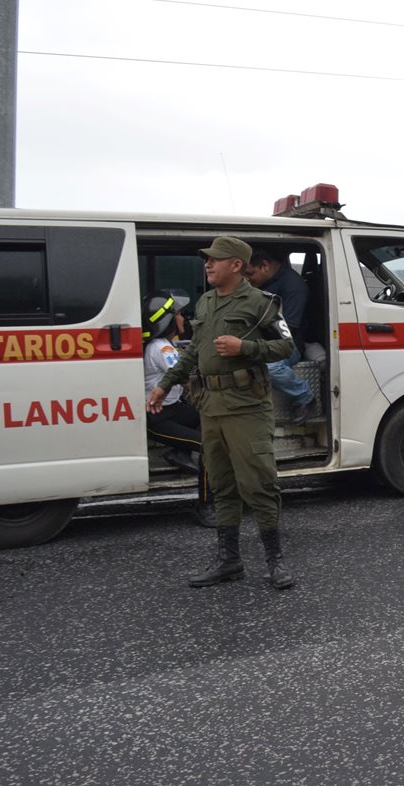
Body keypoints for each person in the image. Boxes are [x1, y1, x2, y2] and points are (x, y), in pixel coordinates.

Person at [148, 236, 297, 590]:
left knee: (259, 484)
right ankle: (229, 561)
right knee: (221, 485)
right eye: (207, 260)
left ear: (236, 265)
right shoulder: (206, 303)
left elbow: (286, 345)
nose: (207, 264)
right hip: (211, 407)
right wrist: (164, 385)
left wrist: (244, 346)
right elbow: (193, 352)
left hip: (247, 407)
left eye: (215, 260)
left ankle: (275, 561)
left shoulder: (261, 303)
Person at [142, 289, 215, 527]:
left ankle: (179, 452)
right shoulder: (161, 349)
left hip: (173, 409)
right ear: (169, 319)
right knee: (209, 447)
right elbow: (186, 380)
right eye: (181, 314)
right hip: (159, 419)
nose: (184, 318)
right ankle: (206, 505)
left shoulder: (165, 345)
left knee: (211, 418)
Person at [244, 250, 316, 425]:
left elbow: (288, 329)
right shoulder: (262, 284)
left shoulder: (293, 286)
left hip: (288, 343)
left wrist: (253, 343)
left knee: (271, 368)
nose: (247, 279)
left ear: (265, 266)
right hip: (262, 341)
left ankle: (305, 396)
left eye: (250, 273)